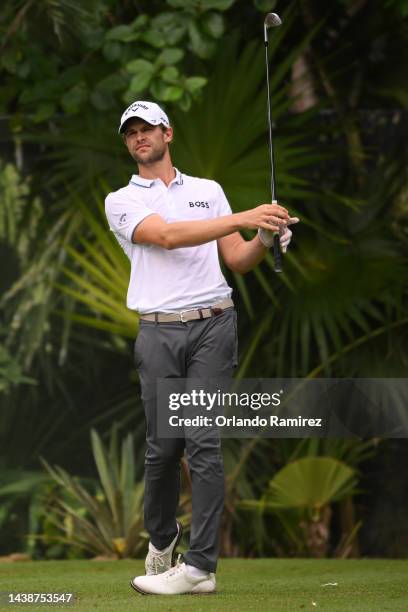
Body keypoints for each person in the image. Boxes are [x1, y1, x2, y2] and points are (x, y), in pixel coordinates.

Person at [105, 100, 299, 595]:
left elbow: (236, 259)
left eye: (147, 128)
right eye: (131, 132)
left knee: (203, 444)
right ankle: (163, 541)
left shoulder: (208, 191)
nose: (139, 137)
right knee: (163, 450)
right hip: (159, 332)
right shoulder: (122, 200)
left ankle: (200, 568)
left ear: (168, 133)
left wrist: (260, 236)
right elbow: (166, 237)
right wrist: (243, 215)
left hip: (214, 324)